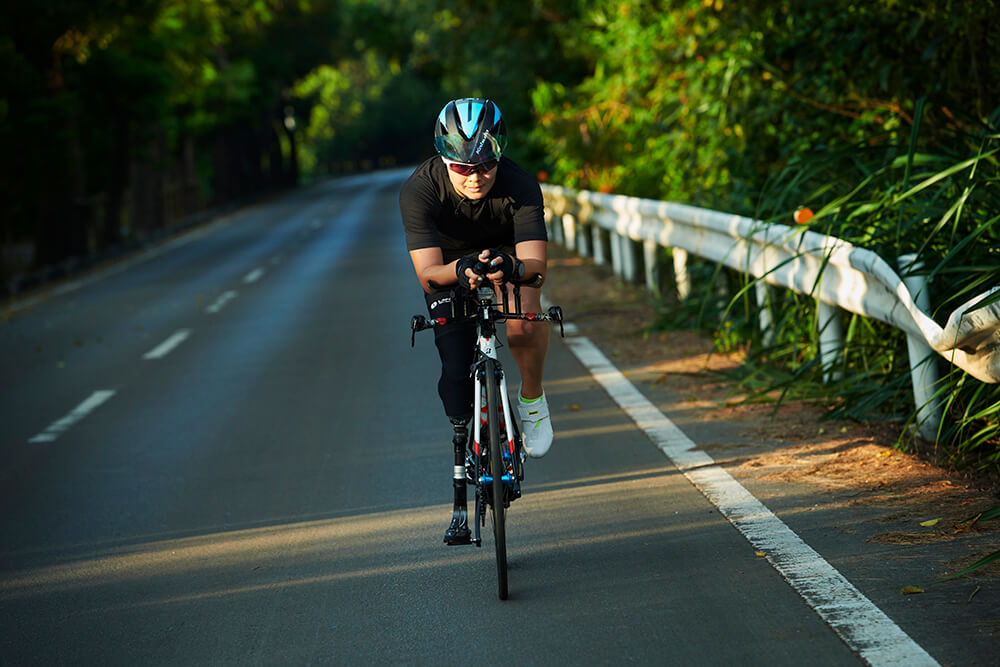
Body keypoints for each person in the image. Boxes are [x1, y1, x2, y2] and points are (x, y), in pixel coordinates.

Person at [399, 97, 553, 545]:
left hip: (509, 258)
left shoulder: (521, 185)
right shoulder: (419, 190)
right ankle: (472, 438)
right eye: (461, 167)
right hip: (449, 266)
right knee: (453, 373)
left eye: (484, 165)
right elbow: (429, 277)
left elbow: (537, 267)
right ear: (444, 159)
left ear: (498, 154)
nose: (474, 176)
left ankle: (531, 400)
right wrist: (464, 268)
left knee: (524, 317)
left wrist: (510, 267)